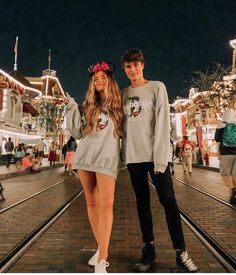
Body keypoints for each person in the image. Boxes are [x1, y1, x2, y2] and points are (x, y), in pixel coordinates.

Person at [121, 48, 198, 272]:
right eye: (128, 66)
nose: (132, 69)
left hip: (156, 156)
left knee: (168, 201)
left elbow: (163, 123)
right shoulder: (123, 93)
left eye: (136, 64)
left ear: (142, 65)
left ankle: (181, 252)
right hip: (134, 158)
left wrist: (160, 160)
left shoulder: (157, 87)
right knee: (141, 204)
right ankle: (149, 248)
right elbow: (120, 126)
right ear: (125, 69)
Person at [65, 61, 122, 273]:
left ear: (109, 80)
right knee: (91, 203)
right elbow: (78, 133)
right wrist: (71, 107)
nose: (98, 81)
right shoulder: (89, 105)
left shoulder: (119, 103)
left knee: (107, 205)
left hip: (106, 160)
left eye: (102, 78)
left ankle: (102, 260)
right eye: (95, 79)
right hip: (85, 157)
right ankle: (101, 251)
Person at [214, 108, 236, 206]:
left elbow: (217, 139)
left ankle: (233, 189)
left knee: (225, 173)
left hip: (225, 153)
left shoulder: (221, 124)